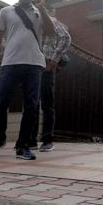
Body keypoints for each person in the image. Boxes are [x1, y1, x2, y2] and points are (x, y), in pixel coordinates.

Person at [0, 0, 54, 160]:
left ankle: (22, 146)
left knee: (31, 106)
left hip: (34, 64)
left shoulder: (39, 12)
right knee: (1, 104)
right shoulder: (6, 11)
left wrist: (43, 8)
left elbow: (51, 31)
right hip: (10, 63)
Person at [29, 18, 71, 152]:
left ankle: (47, 141)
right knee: (32, 105)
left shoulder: (49, 20)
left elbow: (65, 37)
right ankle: (31, 141)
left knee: (47, 104)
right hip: (32, 66)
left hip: (46, 65)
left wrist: (54, 59)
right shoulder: (28, 22)